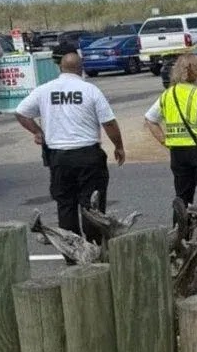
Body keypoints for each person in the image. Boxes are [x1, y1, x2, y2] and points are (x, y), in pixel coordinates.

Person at [14, 53, 126, 248]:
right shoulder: (90, 90)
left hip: (59, 156)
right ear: (81, 68)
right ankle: (94, 246)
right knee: (92, 203)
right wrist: (119, 146)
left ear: (60, 68)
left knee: (65, 204)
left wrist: (38, 131)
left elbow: (21, 112)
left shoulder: (45, 90)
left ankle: (71, 249)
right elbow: (108, 122)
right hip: (88, 154)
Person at [144, 53, 197, 255]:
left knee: (182, 197)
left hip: (178, 152)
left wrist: (164, 139)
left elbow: (150, 118)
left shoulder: (169, 94)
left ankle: (180, 240)